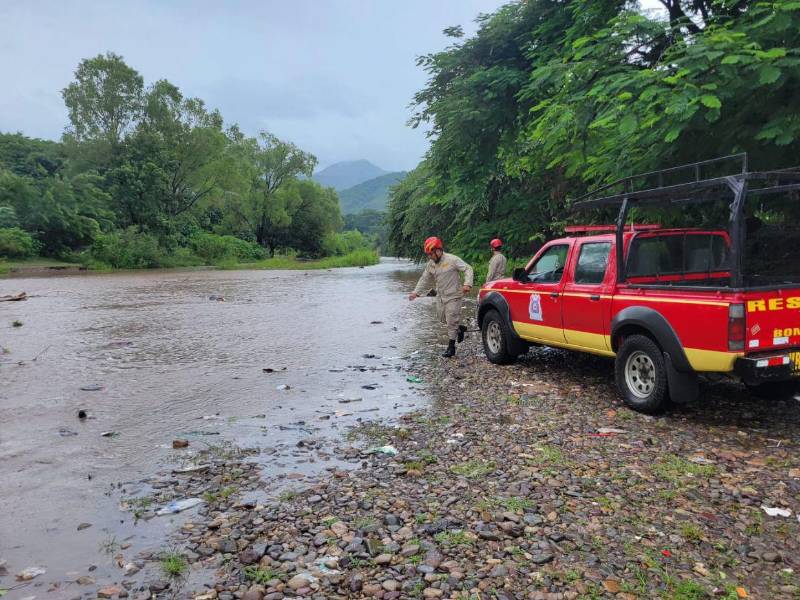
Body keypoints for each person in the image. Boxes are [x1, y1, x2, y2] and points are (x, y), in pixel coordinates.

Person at [408, 236, 474, 357]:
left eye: (431, 254)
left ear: (438, 250)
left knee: (451, 320)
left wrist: (467, 284)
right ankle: (460, 329)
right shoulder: (431, 264)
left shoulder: (452, 260)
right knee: (442, 318)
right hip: (441, 296)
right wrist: (415, 292)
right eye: (428, 255)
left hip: (454, 295)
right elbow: (424, 278)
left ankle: (451, 347)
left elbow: (468, 269)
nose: (430, 257)